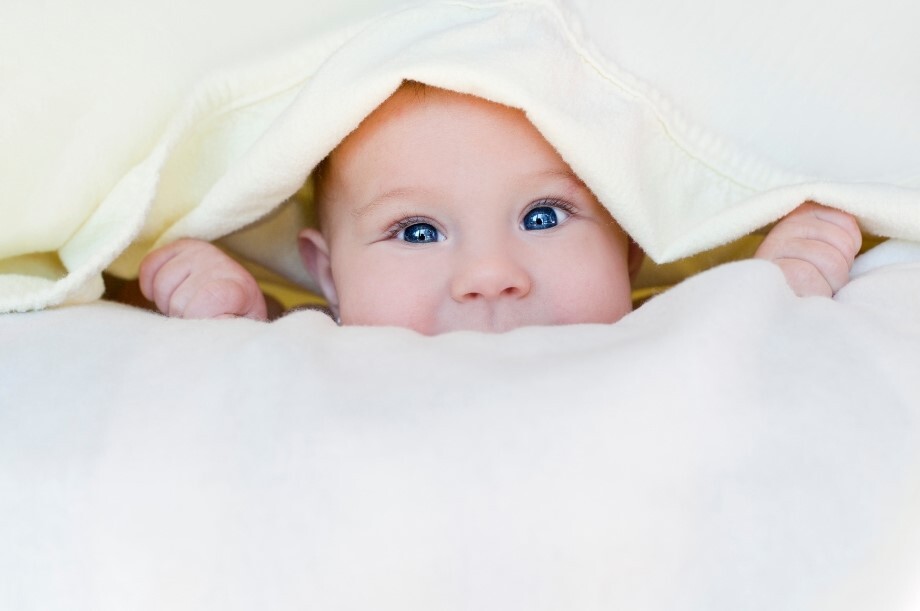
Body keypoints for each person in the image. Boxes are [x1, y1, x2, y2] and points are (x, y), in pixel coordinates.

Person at [137, 82, 862, 334]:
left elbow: (733, 359)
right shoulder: (327, 346)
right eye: (416, 230)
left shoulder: (654, 331)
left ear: (631, 250)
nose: (489, 273)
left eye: (543, 216)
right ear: (329, 278)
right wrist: (227, 315)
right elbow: (249, 395)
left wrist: (775, 288)